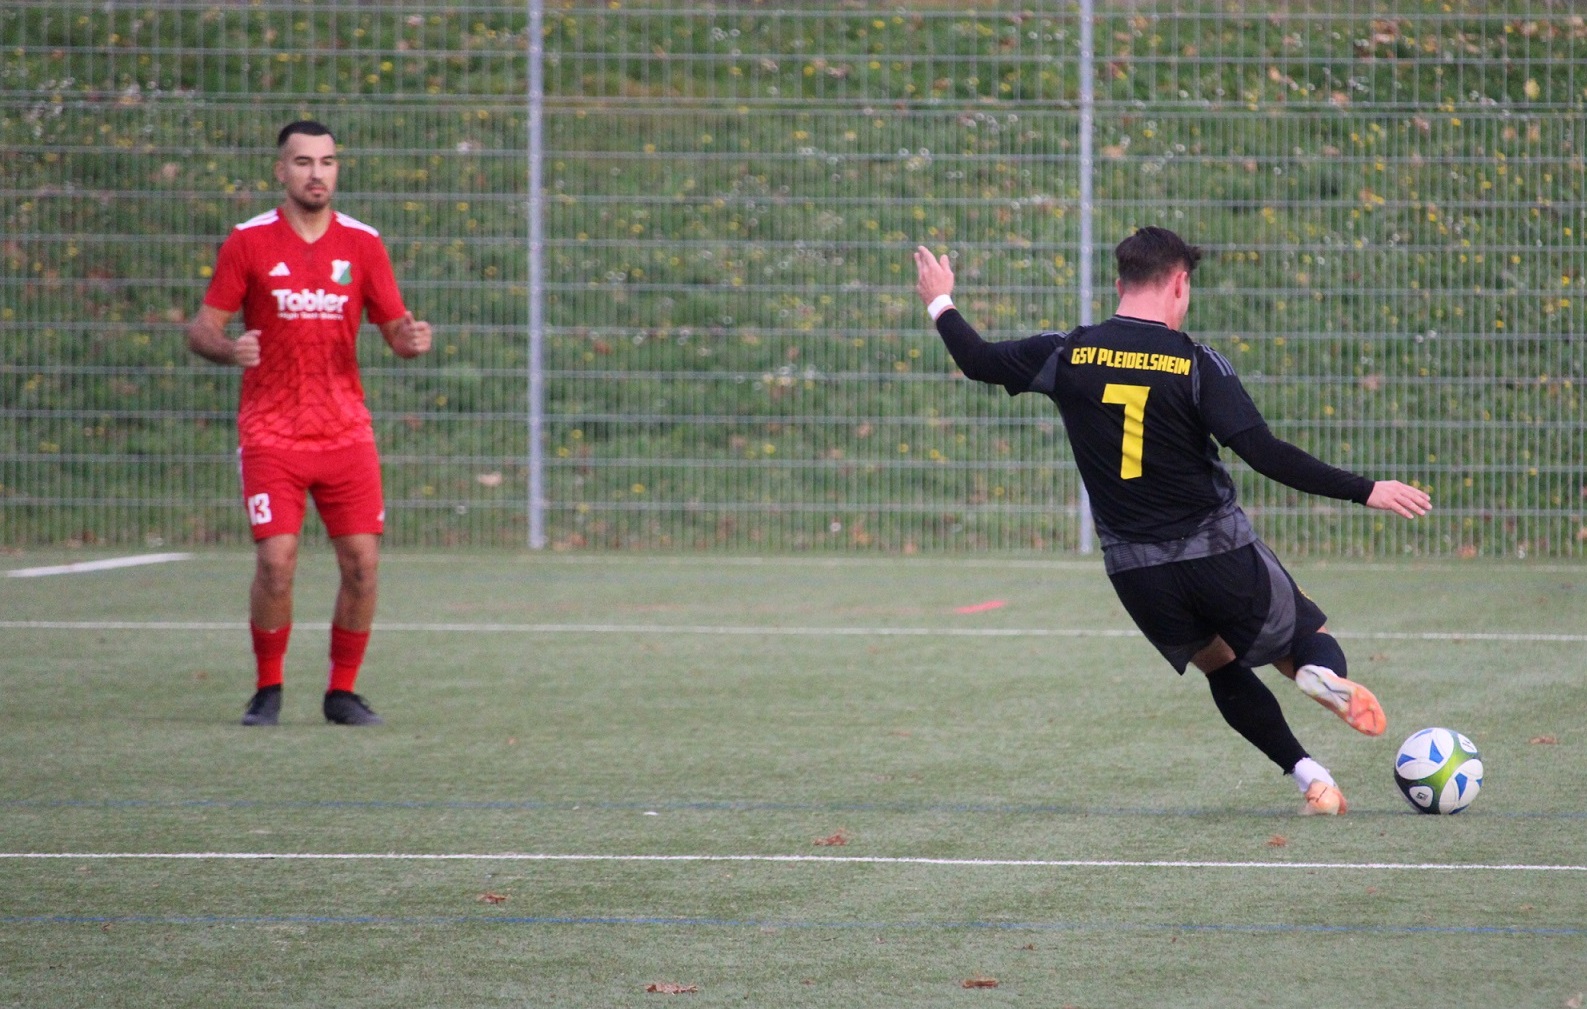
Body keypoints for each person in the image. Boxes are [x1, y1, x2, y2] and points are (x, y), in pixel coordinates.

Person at [912, 227, 1431, 815]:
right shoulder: (1194, 362)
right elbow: (1264, 453)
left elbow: (978, 360)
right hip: (1218, 553)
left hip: (1137, 572)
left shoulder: (1068, 353)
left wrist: (940, 299)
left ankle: (1312, 779)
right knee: (1306, 639)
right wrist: (1366, 489)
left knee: (1219, 666)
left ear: (1120, 285)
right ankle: (1317, 673)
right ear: (1179, 284)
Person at [187, 120, 433, 727]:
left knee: (362, 566)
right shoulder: (248, 242)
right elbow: (202, 329)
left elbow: (395, 330)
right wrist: (230, 349)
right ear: (281, 171)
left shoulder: (363, 244)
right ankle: (268, 688)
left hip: (346, 432)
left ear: (337, 170)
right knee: (276, 563)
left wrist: (410, 340)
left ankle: (341, 693)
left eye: (326, 162)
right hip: (271, 432)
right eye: (303, 162)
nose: (316, 173)